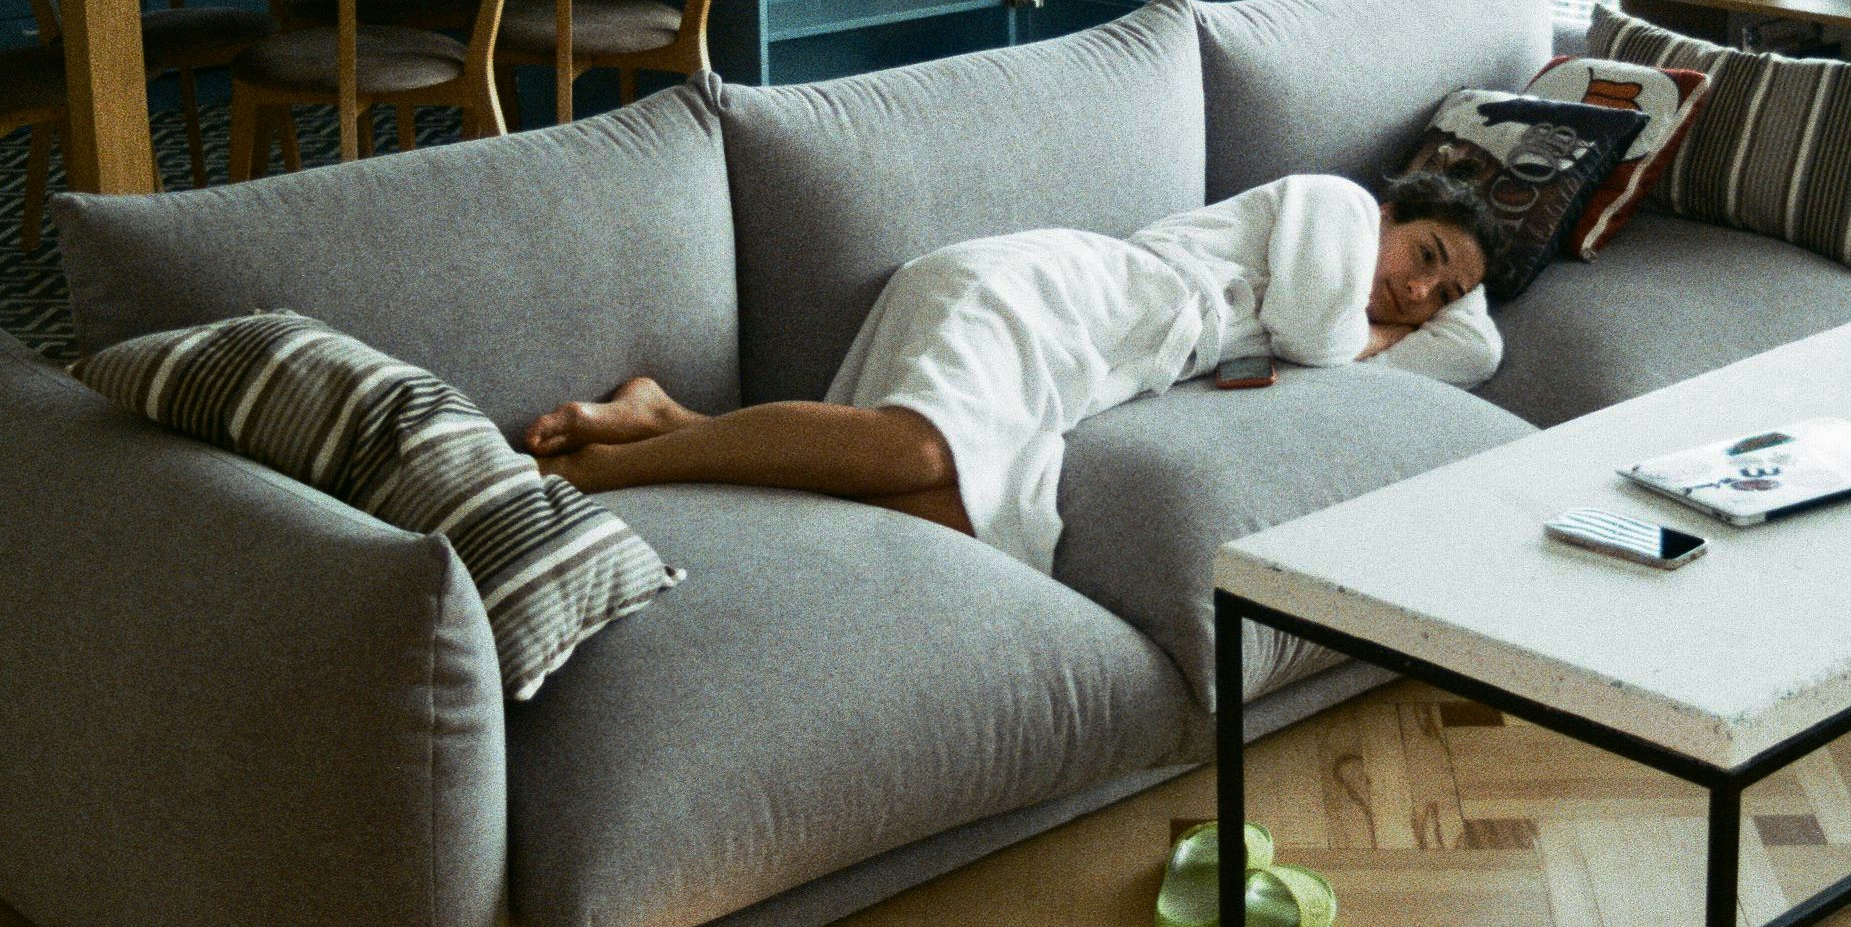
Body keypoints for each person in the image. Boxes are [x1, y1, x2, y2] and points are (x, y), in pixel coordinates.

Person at [524, 171, 1507, 574]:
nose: (1423, 295)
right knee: (912, 444)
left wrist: (1452, 309)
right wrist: (1383, 327)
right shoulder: (1333, 207)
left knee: (973, 515)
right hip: (1042, 293)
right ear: (1391, 210)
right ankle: (618, 470)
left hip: (1080, 366)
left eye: (1445, 290)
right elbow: (1325, 332)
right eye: (1426, 254)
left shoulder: (1381, 307)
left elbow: (1478, 352)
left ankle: (666, 415)